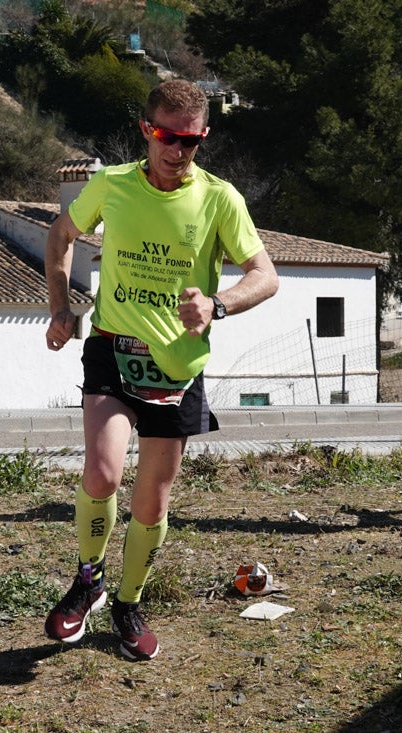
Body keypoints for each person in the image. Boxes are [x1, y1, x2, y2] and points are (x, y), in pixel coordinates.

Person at [43, 79, 278, 660]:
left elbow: (265, 274)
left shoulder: (220, 198)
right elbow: (62, 234)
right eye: (169, 138)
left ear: (203, 137)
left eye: (191, 141)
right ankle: (88, 578)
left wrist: (218, 304)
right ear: (147, 131)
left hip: (176, 368)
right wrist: (59, 307)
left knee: (152, 504)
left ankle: (127, 604)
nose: (179, 151)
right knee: (102, 475)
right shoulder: (113, 184)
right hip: (112, 347)